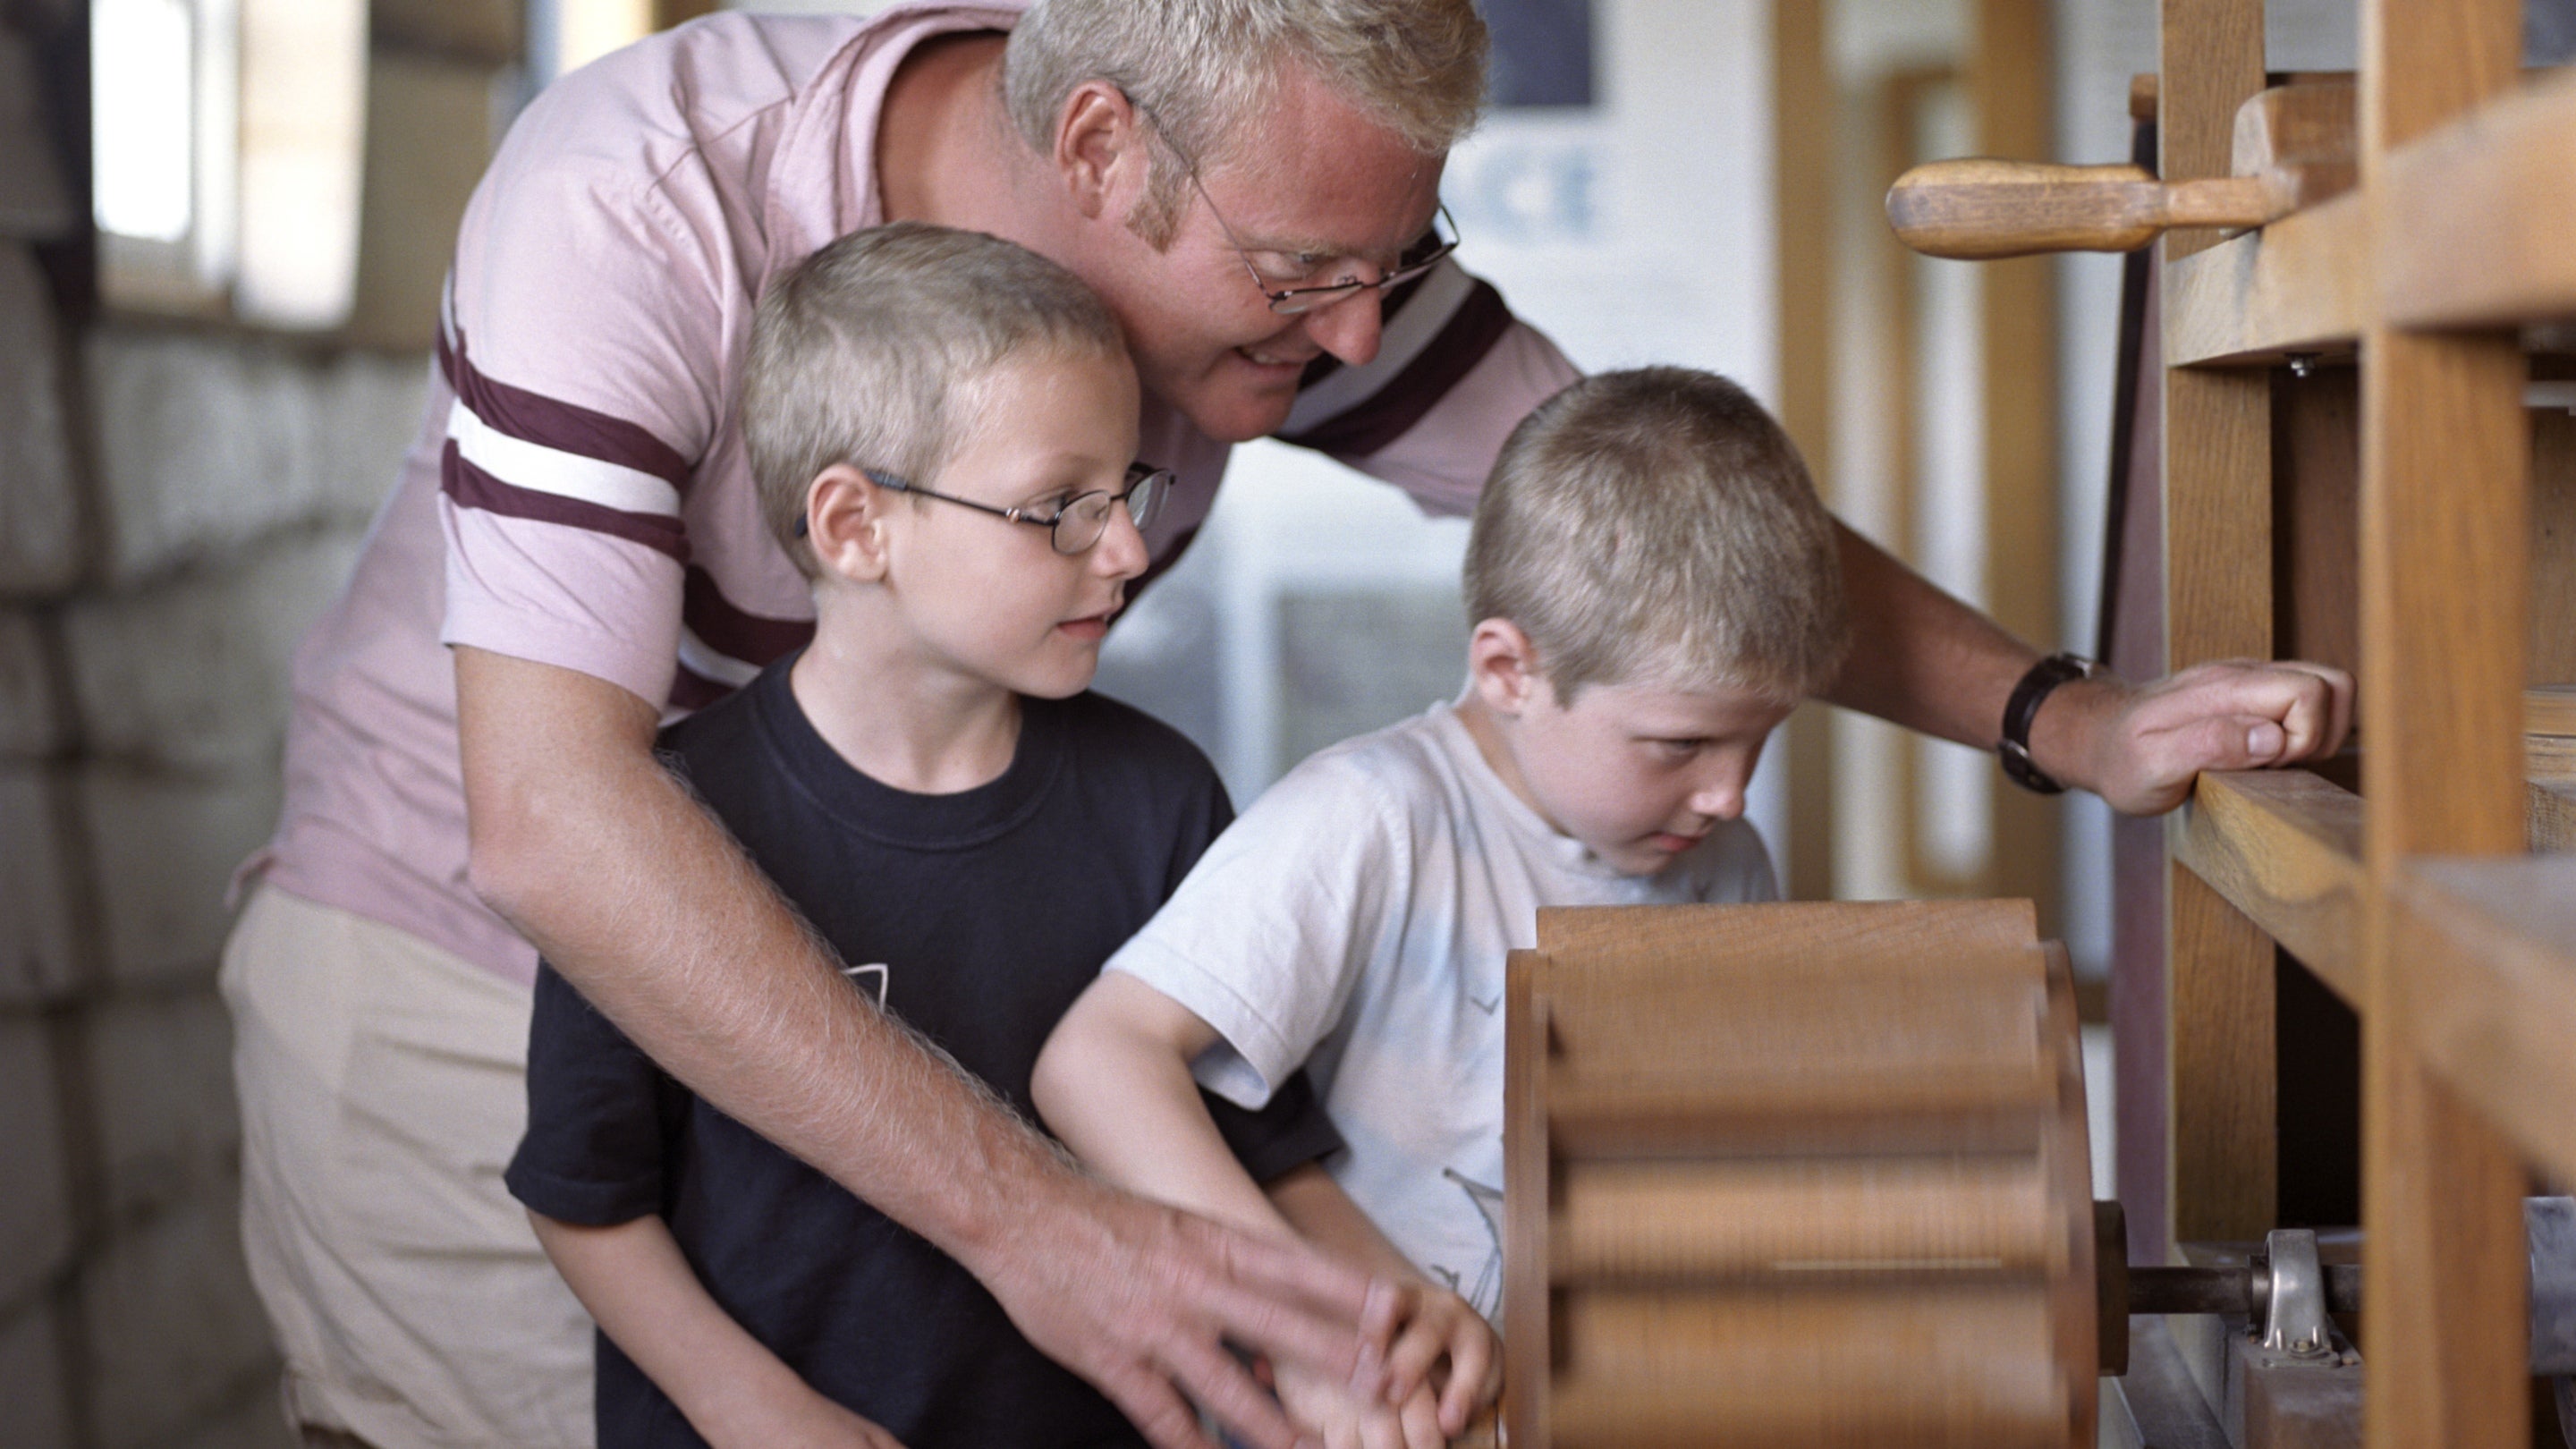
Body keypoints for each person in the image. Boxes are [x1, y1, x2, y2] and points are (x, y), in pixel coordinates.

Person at [218, 2, 2353, 1446]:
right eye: (1311, 275)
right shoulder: (641, 197)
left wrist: (2062, 721)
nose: (1361, 334)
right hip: (483, 967)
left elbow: (1655, 516)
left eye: (1398, 255)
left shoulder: (1282, 235)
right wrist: (1043, 1224)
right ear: (1094, 151)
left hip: (921, 982)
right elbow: (561, 822)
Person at [506, 222, 1436, 1449]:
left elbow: (1254, 1151)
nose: (1129, 551)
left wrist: (1381, 1322)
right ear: (853, 528)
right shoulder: (667, 833)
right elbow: (588, 1198)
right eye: (1060, 506)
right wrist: (748, 1406)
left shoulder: (1159, 800)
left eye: (1125, 492)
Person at [1031, 371, 1840, 1411]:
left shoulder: (1725, 863)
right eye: (1678, 743)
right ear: (1508, 670)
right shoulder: (1371, 818)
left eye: (1760, 738)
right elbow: (1100, 1060)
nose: (1730, 792)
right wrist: (1315, 1327)